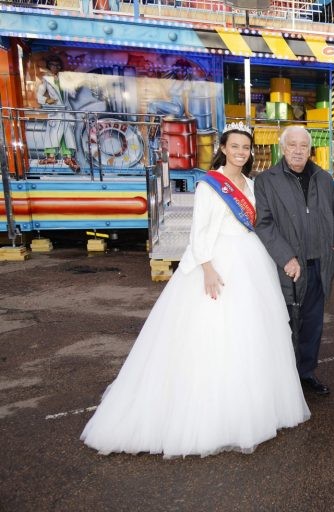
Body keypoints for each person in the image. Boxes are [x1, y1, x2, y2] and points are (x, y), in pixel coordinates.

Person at [81, 123, 310, 458]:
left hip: (251, 261)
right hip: (218, 263)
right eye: (235, 147)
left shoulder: (251, 183)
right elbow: (198, 230)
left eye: (246, 148)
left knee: (252, 337)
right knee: (214, 336)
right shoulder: (210, 184)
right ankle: (211, 416)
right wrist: (206, 267)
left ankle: (253, 407)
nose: (240, 153)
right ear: (223, 148)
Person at [254, 126, 334, 396]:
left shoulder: (324, 178)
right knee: (285, 324)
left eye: (303, 146)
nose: (297, 150)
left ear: (309, 149)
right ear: (282, 148)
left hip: (318, 265)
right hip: (287, 268)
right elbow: (264, 224)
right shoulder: (266, 181)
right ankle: (283, 379)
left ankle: (306, 374)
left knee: (313, 325)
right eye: (292, 145)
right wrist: (286, 257)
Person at [35, 55, 80, 172]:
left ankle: (69, 158)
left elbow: (73, 94)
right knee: (53, 134)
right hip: (55, 110)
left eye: (57, 65)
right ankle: (51, 157)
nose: (55, 67)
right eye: (53, 65)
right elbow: (39, 95)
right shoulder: (46, 80)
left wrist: (71, 83)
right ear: (49, 66)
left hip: (66, 111)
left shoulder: (64, 79)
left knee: (67, 135)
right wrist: (46, 100)